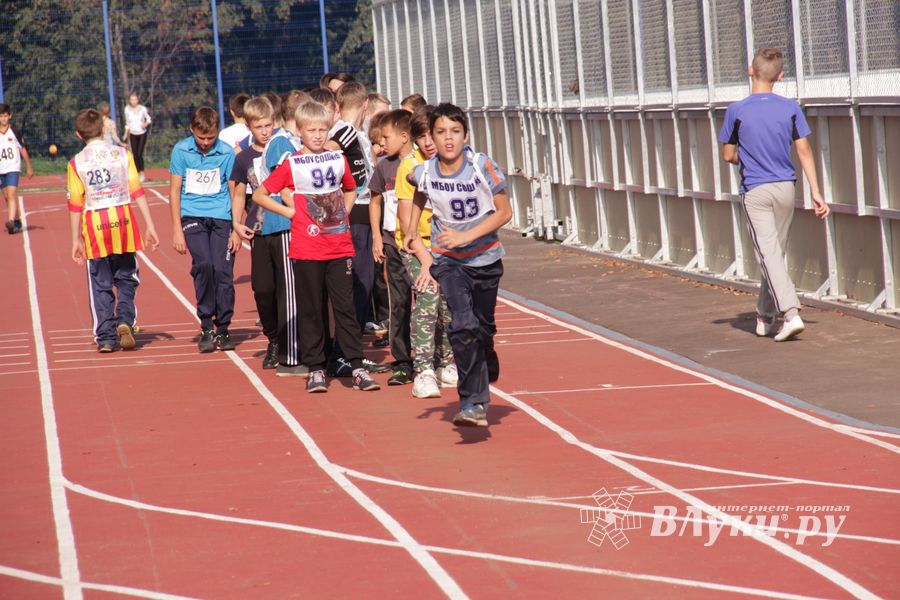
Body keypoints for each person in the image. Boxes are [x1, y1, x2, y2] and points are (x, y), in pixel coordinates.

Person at [252, 101, 380, 393]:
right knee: (311, 308)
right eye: (312, 130)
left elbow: (351, 188)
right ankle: (316, 368)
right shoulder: (293, 163)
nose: (319, 135)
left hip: (338, 246)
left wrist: (343, 214)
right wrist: (291, 213)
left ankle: (356, 365)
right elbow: (261, 194)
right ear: (300, 132)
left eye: (323, 129)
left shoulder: (337, 159)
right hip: (307, 247)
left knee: (345, 307)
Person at [405, 103, 511, 427]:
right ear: (431, 138)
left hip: (486, 259)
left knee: (482, 327)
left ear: (466, 136)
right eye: (440, 133)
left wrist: (466, 237)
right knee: (462, 327)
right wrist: (412, 229)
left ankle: (488, 349)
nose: (448, 139)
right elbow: (419, 193)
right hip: (449, 261)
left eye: (455, 132)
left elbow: (504, 213)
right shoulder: (424, 170)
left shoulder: (482, 167)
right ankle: (472, 402)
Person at [719, 48, 829, 342]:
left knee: (768, 255)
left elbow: (728, 154)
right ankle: (764, 316)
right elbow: (803, 150)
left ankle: (791, 314)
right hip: (785, 189)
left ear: (750, 71)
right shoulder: (790, 108)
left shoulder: (736, 111)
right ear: (780, 76)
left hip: (755, 190)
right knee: (774, 255)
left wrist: (745, 156)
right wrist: (817, 192)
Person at [66, 108, 159, 352]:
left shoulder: (76, 163)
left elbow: (75, 203)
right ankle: (125, 319)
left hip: (95, 226)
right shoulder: (122, 154)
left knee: (100, 283)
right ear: (104, 128)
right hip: (123, 223)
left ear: (78, 134)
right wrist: (149, 225)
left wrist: (75, 238)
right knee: (127, 277)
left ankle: (106, 336)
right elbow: (137, 190)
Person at [231, 95, 306, 375]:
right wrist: (236, 223)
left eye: (268, 125)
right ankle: (273, 337)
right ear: (248, 126)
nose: (265, 130)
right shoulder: (244, 158)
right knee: (262, 288)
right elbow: (239, 192)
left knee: (287, 288)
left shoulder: (282, 148)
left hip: (285, 227)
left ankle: (288, 345)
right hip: (258, 230)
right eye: (259, 126)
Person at [397, 106, 457, 399]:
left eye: (432, 134)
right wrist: (426, 263)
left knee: (451, 304)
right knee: (429, 292)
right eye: (421, 137)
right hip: (416, 247)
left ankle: (446, 362)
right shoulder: (409, 168)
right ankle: (422, 370)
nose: (429, 142)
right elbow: (408, 229)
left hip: (448, 247)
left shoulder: (458, 164)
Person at [169, 107, 240, 353]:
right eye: (202, 138)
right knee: (204, 265)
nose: (207, 143)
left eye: (211, 137)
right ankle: (206, 324)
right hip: (192, 216)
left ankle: (223, 328)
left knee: (222, 269)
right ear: (192, 131)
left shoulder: (227, 152)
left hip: (221, 216)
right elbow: (174, 191)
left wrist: (236, 228)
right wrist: (176, 230)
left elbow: (234, 191)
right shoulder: (181, 150)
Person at [370, 109, 415, 385]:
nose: (381, 143)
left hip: (419, 245)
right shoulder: (384, 166)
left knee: (427, 304)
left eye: (386, 137)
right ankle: (402, 361)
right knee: (398, 303)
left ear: (404, 136)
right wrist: (377, 237)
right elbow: (375, 200)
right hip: (392, 242)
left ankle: (431, 357)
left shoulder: (421, 164)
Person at [0, 104, 33, 234]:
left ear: (10, 116)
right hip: (1, 169)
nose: (3, 119)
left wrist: (29, 167)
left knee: (12, 193)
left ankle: (11, 222)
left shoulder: (14, 132)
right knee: (7, 196)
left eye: (5, 116)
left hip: (13, 167)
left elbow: (22, 149)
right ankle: (17, 219)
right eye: (1, 116)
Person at [123, 93, 151, 182]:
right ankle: (138, 173)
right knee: (134, 155)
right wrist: (125, 134)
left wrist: (145, 124)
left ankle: (142, 173)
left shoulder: (142, 109)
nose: (133, 101)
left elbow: (149, 119)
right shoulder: (127, 109)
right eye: (132, 100)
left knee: (139, 154)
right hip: (133, 133)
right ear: (130, 101)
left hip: (142, 133)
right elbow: (127, 123)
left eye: (135, 99)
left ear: (137, 100)